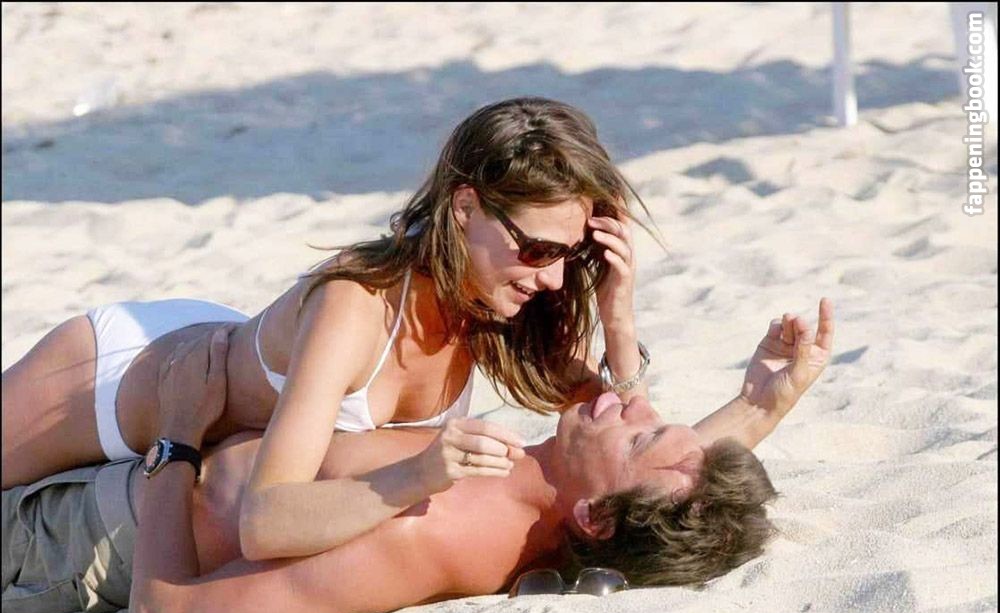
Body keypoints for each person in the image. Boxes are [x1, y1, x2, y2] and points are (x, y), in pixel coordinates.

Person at [2, 97, 803, 563]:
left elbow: (630, 456)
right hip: (114, 378)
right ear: (465, 207)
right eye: (537, 249)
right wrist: (415, 477)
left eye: (570, 255)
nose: (555, 279)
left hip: (204, 392)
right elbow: (266, 521)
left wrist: (621, 318)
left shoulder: (492, 304)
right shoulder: (358, 307)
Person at [1, 297, 834, 613]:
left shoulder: (420, 528)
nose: (635, 399)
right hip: (144, 462)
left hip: (76, 536)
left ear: (595, 518)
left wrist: (176, 443)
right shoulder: (554, 495)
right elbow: (665, 491)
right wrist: (759, 404)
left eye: (641, 433)